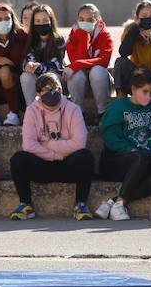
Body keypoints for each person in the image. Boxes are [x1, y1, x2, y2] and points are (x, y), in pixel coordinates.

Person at [8, 72, 97, 221]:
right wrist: (56, 154)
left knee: (85, 157)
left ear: (61, 90)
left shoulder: (73, 109)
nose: (51, 92)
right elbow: (29, 145)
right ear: (38, 93)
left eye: (55, 88)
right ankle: (25, 204)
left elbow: (79, 143)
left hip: (68, 165)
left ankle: (81, 204)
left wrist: (46, 144)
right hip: (42, 165)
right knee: (18, 159)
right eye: (46, 89)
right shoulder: (32, 110)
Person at [96, 68, 151, 221]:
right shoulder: (118, 107)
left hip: (144, 162)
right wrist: (129, 149)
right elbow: (110, 136)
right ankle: (118, 204)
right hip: (117, 160)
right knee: (140, 158)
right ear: (133, 89)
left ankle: (115, 202)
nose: (148, 96)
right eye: (144, 91)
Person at [64, 2, 114, 117]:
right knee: (75, 74)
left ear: (97, 20)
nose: (85, 23)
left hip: (102, 84)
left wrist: (77, 64)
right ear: (77, 20)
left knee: (97, 71)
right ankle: (78, 113)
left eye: (90, 19)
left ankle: (103, 113)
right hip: (81, 86)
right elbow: (78, 60)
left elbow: (104, 61)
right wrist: (83, 36)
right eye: (81, 19)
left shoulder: (105, 35)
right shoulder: (73, 37)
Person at [19, 4, 66, 106]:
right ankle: (31, 111)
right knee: (25, 76)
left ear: (51, 21)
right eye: (38, 21)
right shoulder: (31, 40)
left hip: (56, 76)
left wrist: (40, 67)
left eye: (45, 20)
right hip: (37, 75)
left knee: (52, 77)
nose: (41, 24)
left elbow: (57, 64)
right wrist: (28, 65)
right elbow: (27, 59)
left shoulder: (58, 40)